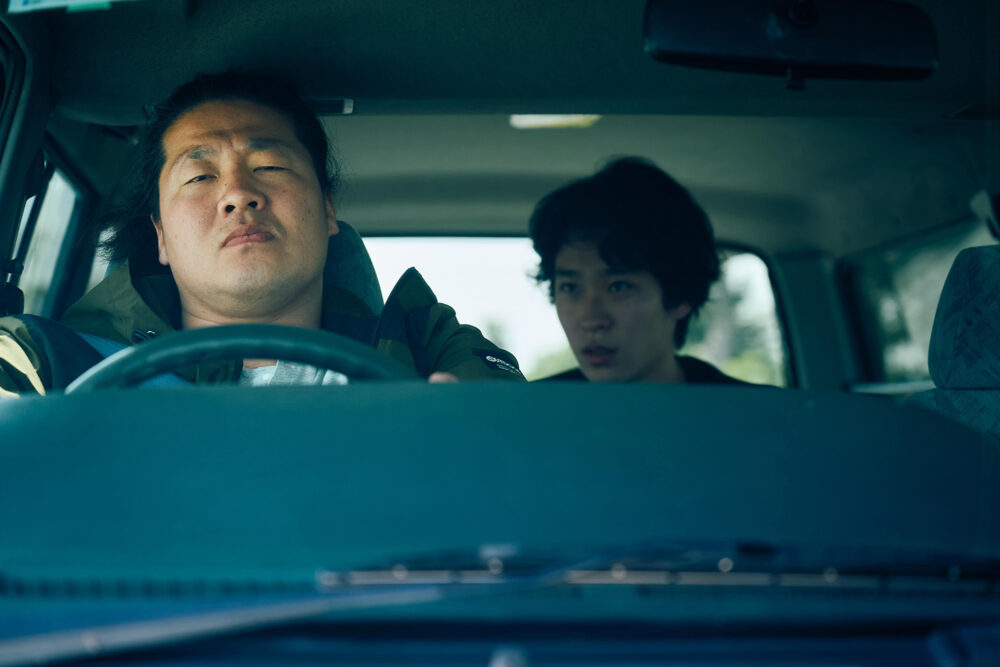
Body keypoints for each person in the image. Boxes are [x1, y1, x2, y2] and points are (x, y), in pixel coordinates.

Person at [0, 71, 523, 396]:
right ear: (159, 236)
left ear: (327, 208)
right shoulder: (49, 362)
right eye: (200, 177)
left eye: (270, 166)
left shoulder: (428, 351)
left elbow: (510, 422)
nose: (237, 194)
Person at [529, 157, 745, 384]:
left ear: (680, 298)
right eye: (570, 287)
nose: (591, 320)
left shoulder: (749, 404)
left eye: (618, 287)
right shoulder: (535, 404)